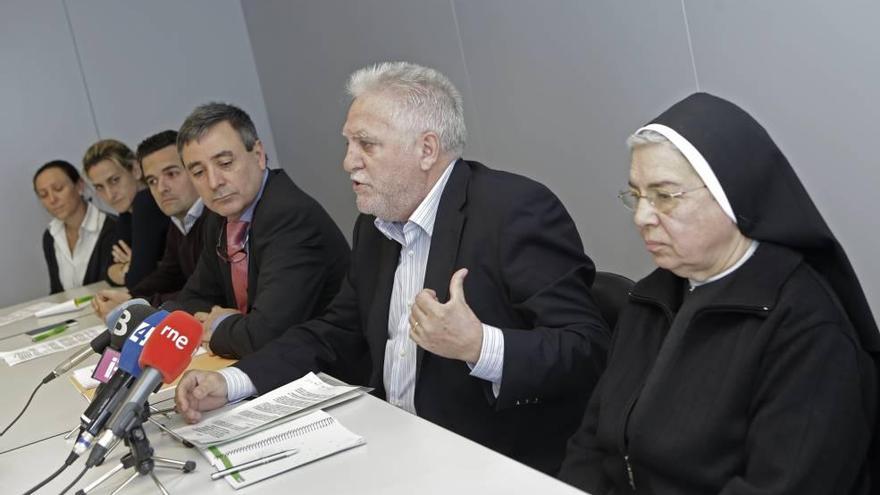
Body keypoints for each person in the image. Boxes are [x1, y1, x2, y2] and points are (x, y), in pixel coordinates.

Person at [175, 62, 609, 474]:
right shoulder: (375, 227)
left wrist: (479, 345)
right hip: (392, 444)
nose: (348, 161)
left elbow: (586, 349)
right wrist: (234, 382)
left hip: (488, 458)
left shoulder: (514, 211)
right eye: (348, 144)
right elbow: (335, 333)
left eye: (366, 144)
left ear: (426, 149)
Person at [558, 93, 879, 494]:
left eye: (664, 196)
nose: (642, 217)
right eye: (637, 196)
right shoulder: (650, 298)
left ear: (733, 196)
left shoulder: (807, 328)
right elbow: (592, 443)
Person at [171, 102, 350, 359]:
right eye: (199, 172)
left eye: (224, 163)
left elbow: (265, 334)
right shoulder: (218, 216)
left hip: (329, 374)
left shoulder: (289, 217)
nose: (214, 182)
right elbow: (189, 300)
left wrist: (223, 325)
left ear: (258, 155)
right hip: (273, 366)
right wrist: (234, 324)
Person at [91, 130, 206, 317]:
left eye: (171, 174)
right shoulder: (178, 221)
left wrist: (134, 303)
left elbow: (206, 294)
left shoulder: (217, 217)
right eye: (152, 180)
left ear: (196, 170)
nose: (161, 188)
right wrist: (131, 297)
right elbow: (169, 273)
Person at [83, 138, 169, 287]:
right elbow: (108, 271)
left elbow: (139, 278)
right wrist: (131, 269)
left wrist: (133, 267)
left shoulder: (145, 201)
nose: (110, 195)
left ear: (135, 170)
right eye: (99, 187)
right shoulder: (126, 214)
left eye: (114, 180)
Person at [34, 160, 117, 294]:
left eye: (58, 189)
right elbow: (57, 293)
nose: (52, 199)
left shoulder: (113, 228)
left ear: (79, 186)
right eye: (43, 195)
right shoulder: (50, 236)